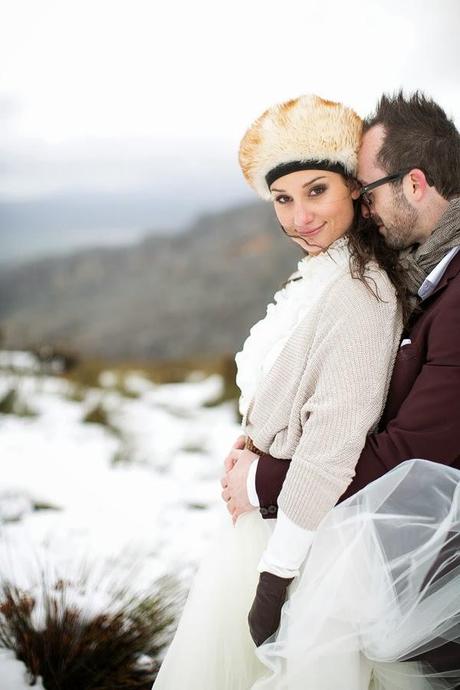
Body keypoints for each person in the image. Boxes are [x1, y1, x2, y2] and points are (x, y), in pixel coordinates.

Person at [152, 93, 408, 690]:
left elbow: (334, 441)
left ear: (354, 189)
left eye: (317, 191)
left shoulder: (361, 293)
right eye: (283, 200)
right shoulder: (320, 274)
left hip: (305, 544)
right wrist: (253, 441)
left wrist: (275, 578)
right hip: (270, 519)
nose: (299, 218)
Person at [224, 92, 460, 688]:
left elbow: (402, 449)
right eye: (282, 198)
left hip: (343, 543)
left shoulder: (376, 292)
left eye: (362, 188)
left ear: (412, 183)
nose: (301, 216)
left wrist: (263, 483)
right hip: (313, 525)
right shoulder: (391, 272)